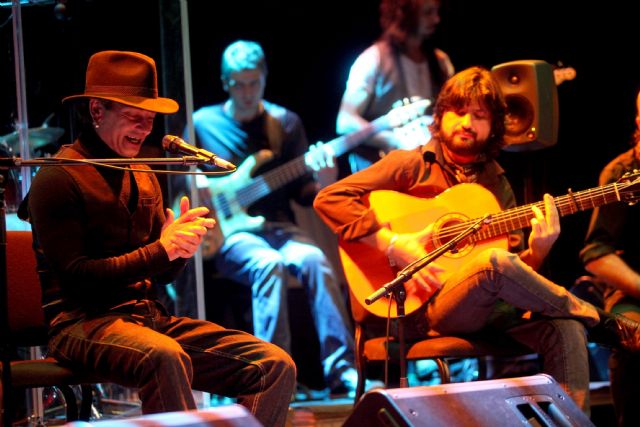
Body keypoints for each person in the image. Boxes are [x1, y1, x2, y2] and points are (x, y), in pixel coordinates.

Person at [314, 66, 640, 414]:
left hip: (487, 311)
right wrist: (393, 243)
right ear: (440, 116)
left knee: (566, 328)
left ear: (494, 125)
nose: (467, 122)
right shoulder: (410, 165)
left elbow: (513, 275)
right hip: (421, 308)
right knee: (492, 263)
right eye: (458, 111)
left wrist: (537, 251)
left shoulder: (497, 186)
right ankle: (605, 324)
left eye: (479, 115)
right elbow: (329, 199)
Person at [21, 50, 295, 427]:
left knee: (273, 365)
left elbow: (160, 275)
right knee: (163, 355)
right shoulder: (58, 177)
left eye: (150, 119)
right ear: (97, 111)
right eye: (135, 117)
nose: (146, 128)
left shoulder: (144, 171)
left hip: (146, 319)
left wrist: (178, 251)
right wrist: (161, 249)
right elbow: (78, 275)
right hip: (80, 324)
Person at [186, 40, 358, 396]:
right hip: (231, 235)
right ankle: (273, 377)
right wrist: (195, 179)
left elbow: (304, 195)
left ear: (264, 79)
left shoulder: (285, 123)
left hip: (279, 228)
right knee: (269, 265)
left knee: (316, 261)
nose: (247, 92)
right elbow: (181, 175)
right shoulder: (203, 123)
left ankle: (342, 372)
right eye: (239, 84)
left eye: (254, 83)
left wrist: (325, 181)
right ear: (225, 82)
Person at [336, 0, 454, 176]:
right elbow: (345, 121)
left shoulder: (440, 61)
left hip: (432, 169)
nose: (436, 19)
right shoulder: (372, 59)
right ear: (404, 14)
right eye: (428, 12)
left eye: (437, 12)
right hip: (387, 172)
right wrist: (392, 140)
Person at [580, 89, 640, 426]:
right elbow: (597, 254)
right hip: (633, 292)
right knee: (633, 334)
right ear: (638, 121)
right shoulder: (623, 173)